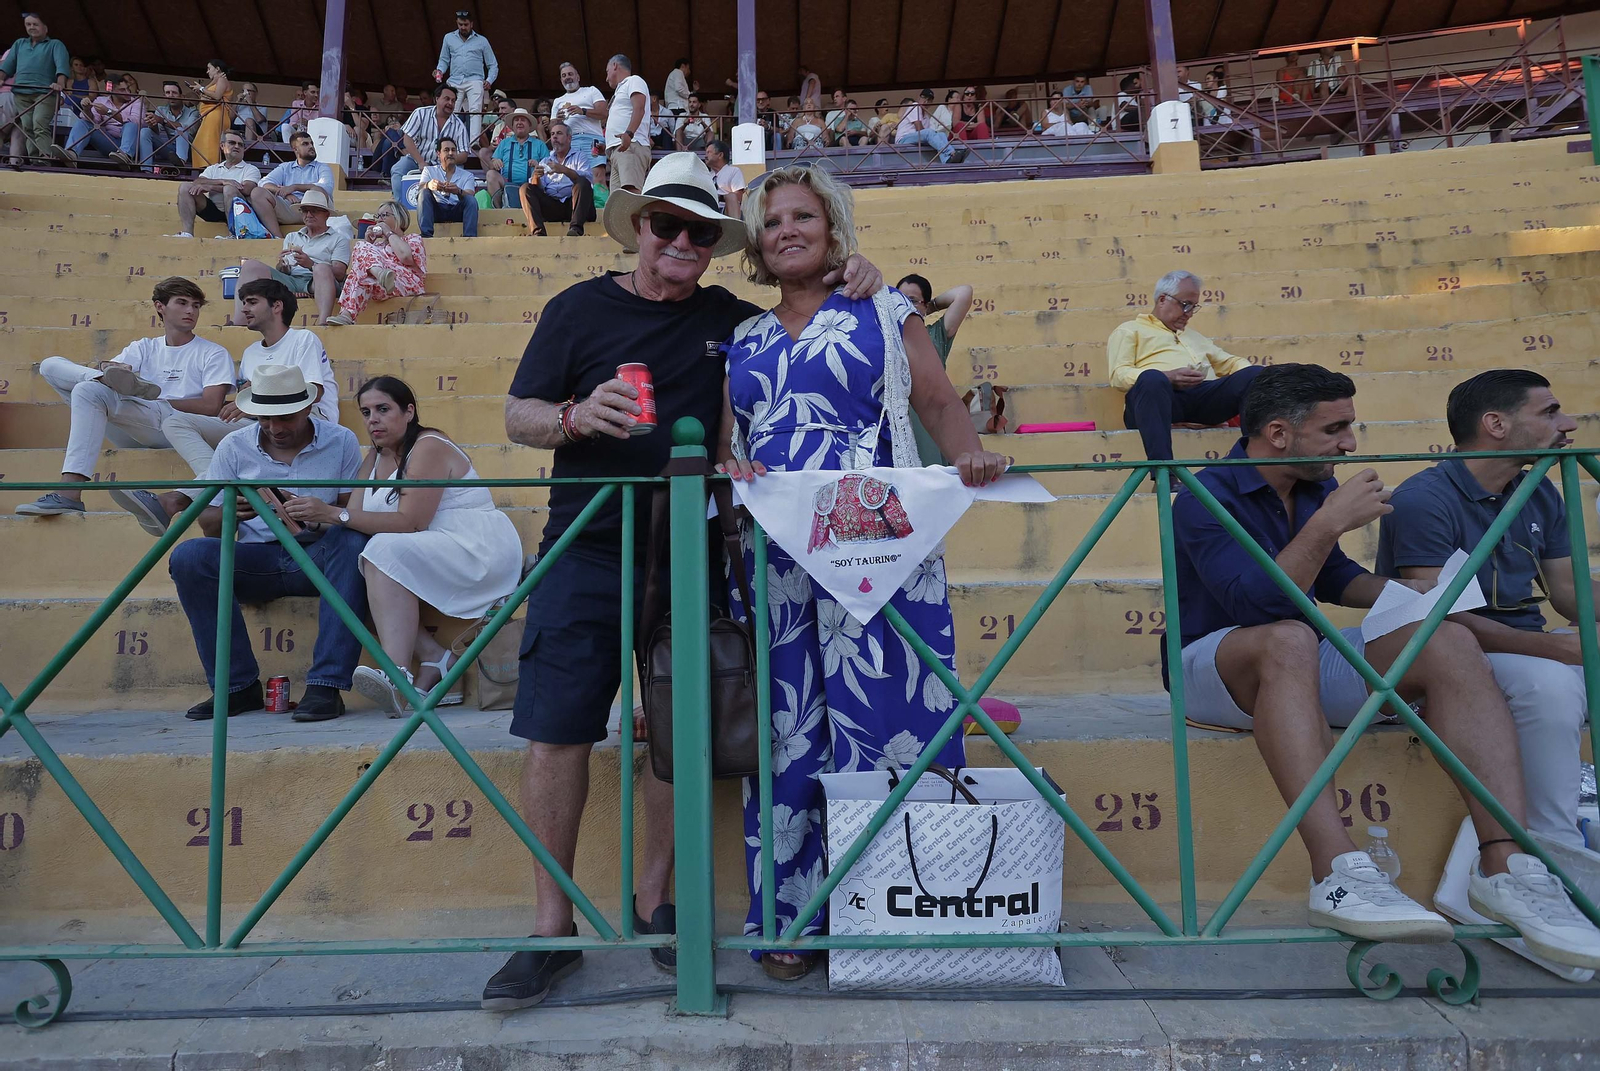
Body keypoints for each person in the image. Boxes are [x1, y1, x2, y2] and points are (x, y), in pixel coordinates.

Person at [482, 152, 883, 1011]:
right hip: (585, 549)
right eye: (668, 224)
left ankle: (659, 902)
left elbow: (803, 316)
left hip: (693, 552)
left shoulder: (730, 319)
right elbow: (516, 415)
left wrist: (863, 273)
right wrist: (572, 416)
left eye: (701, 231)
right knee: (555, 732)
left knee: (678, 729)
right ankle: (550, 930)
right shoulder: (575, 307)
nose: (683, 242)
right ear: (638, 227)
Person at [1169, 364, 1600, 966]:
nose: (1350, 443)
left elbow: (1337, 578)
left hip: (1293, 656)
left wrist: (1425, 604)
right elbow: (1257, 603)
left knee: (1444, 638)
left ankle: (1505, 867)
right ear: (1277, 433)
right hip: (1210, 667)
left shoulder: (1312, 483)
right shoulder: (1201, 497)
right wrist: (1327, 524)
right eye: (1336, 429)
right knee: (1288, 636)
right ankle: (1338, 872)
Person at [716, 164, 1005, 980]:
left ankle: (901, 901)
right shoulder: (745, 337)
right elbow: (729, 443)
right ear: (758, 243)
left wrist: (970, 456)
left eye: (803, 216)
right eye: (772, 222)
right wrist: (730, 469)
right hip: (775, 555)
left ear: (834, 228)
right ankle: (793, 917)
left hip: (879, 540)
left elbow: (941, 402)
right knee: (788, 730)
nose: (787, 231)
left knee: (890, 718)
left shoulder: (884, 309)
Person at [1378, 370, 1591, 851]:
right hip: (1459, 657)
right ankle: (1555, 852)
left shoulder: (1538, 488)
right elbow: (1435, 617)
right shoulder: (1423, 498)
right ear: (1495, 424)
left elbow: (1568, 594)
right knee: (1549, 684)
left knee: (1551, 675)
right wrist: (1553, 649)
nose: (1570, 423)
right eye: (1550, 412)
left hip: (1528, 648)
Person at [168, 364, 367, 724]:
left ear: (307, 408)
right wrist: (234, 512)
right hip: (257, 560)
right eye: (264, 419)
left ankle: (326, 686)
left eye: (286, 418)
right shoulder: (233, 445)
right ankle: (236, 688)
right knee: (190, 556)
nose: (275, 428)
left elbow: (353, 512)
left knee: (351, 541)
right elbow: (210, 529)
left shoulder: (341, 441)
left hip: (317, 554)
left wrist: (319, 514)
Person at [326, 376, 523, 714]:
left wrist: (332, 513)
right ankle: (434, 657)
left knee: (380, 550)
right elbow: (355, 518)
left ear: (409, 411)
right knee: (358, 556)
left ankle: (397, 674)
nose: (373, 419)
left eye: (383, 409)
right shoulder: (373, 458)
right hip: (429, 547)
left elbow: (410, 522)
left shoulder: (429, 445)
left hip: (475, 548)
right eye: (366, 411)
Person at [115, 278, 340, 537]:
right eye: (243, 302)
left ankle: (179, 498)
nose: (244, 308)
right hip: (261, 422)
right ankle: (212, 478)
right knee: (174, 421)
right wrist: (249, 408)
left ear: (277, 306)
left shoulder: (303, 339)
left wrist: (256, 407)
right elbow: (245, 398)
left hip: (306, 419)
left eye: (252, 302)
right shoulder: (251, 352)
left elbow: (314, 391)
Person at [15, 278, 233, 520]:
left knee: (87, 391)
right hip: (137, 423)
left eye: (195, 305)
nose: (190, 311)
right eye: (182, 303)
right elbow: (120, 372)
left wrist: (157, 402)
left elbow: (211, 406)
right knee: (52, 367)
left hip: (176, 424)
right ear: (160, 307)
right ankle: (100, 377)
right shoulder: (143, 347)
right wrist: (107, 371)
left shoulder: (212, 352)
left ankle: (69, 491)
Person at [1107, 269, 1261, 463]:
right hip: (1156, 399)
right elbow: (1119, 375)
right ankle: (1164, 473)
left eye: (1194, 307)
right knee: (1152, 379)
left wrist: (1255, 379)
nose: (1189, 314)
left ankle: (1255, 465)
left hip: (1202, 399)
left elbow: (1231, 362)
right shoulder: (1130, 330)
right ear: (1162, 299)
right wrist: (1167, 377)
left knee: (1255, 375)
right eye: (1185, 305)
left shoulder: (1195, 336)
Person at [234, 188, 349, 326]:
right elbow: (284, 271)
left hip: (319, 281)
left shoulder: (338, 239)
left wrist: (311, 264)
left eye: (314, 210)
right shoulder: (292, 237)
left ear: (326, 214)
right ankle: (238, 322)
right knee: (250, 266)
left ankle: (323, 322)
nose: (309, 214)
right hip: (291, 279)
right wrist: (283, 265)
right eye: (305, 210)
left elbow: (340, 273)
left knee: (322, 269)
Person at [896, 273, 974, 466]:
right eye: (899, 299)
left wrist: (930, 308)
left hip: (927, 424)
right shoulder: (883, 337)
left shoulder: (936, 334)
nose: (904, 305)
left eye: (912, 300)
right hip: (895, 422)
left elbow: (964, 293)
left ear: (925, 305)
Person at [327, 200, 427, 325]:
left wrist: (388, 232)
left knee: (362, 266)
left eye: (384, 215)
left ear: (399, 218)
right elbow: (359, 269)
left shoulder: (412, 239)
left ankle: (348, 312)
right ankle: (346, 315)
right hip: (382, 284)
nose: (379, 219)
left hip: (405, 284)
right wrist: (369, 243)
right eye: (377, 216)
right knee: (361, 254)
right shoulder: (377, 245)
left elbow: (405, 257)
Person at [0, 12, 67, 163]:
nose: (31, 27)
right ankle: (34, 160)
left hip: (44, 93)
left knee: (39, 124)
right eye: (28, 25)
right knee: (28, 127)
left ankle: (45, 159)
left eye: (35, 24)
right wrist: (1, 78)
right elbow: (8, 64)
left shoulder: (55, 44)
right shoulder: (19, 43)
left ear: (45, 27)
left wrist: (60, 84)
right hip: (21, 94)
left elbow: (61, 66)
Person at [172, 130, 261, 238]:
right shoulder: (214, 168)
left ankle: (233, 235)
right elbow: (197, 183)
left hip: (240, 213)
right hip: (214, 210)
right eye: (232, 143)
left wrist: (211, 187)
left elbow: (246, 189)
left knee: (229, 189)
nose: (237, 146)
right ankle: (187, 233)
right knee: (185, 187)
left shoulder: (250, 169)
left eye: (240, 145)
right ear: (222, 146)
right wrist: (222, 181)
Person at [249, 130, 336, 239]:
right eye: (305, 144)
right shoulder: (285, 167)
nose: (311, 146)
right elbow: (263, 183)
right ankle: (278, 238)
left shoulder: (322, 167)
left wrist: (294, 187)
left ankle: (318, 237)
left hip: (316, 210)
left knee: (318, 190)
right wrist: (286, 194)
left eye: (311, 143)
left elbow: (326, 187)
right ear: (295, 149)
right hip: (293, 208)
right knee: (257, 192)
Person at [391, 84, 469, 202]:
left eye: (453, 101)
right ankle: (400, 207)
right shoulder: (420, 113)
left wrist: (445, 161)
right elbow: (407, 139)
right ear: (436, 99)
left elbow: (463, 155)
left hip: (443, 167)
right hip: (417, 159)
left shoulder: (459, 126)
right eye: (447, 99)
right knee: (398, 169)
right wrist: (421, 162)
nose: (450, 103)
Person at [519, 119, 595, 237]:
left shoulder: (580, 156)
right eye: (552, 134)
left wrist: (564, 170)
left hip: (576, 207)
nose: (554, 137)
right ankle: (538, 233)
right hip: (553, 207)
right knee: (525, 188)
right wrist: (536, 177)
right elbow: (539, 188)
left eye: (559, 133)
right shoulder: (545, 160)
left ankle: (575, 230)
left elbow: (588, 181)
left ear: (569, 138)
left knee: (582, 182)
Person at [434, 8, 497, 145]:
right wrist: (439, 71)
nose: (463, 27)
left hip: (475, 79)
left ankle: (473, 142)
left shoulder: (482, 41)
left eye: (465, 25)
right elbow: (444, 60)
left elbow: (493, 64)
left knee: (475, 110)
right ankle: (449, 140)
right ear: (457, 23)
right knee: (451, 109)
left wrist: (489, 80)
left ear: (471, 24)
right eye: (460, 24)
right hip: (455, 79)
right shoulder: (448, 38)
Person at [62, 73, 143, 164]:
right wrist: (87, 109)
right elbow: (92, 121)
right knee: (83, 122)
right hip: (110, 143)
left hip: (131, 145)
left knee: (131, 124)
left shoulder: (136, 102)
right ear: (111, 90)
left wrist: (109, 112)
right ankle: (71, 154)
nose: (128, 92)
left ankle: (125, 156)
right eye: (122, 90)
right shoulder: (101, 100)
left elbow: (136, 122)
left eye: (128, 89)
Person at [604, 54, 650, 194]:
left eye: (607, 71)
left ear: (615, 66)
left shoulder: (633, 80)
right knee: (617, 200)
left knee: (631, 193)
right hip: (618, 150)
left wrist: (629, 134)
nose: (606, 78)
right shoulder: (620, 91)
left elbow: (639, 108)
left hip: (630, 146)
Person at [487, 107, 549, 208]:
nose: (519, 122)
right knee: (491, 174)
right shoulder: (504, 143)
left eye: (523, 120)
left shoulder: (540, 144)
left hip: (532, 185)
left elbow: (549, 168)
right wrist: (495, 162)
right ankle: (497, 211)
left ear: (529, 125)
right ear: (512, 126)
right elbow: (491, 165)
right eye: (516, 120)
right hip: (507, 184)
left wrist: (538, 165)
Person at [417, 135, 478, 238]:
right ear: (438, 154)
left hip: (457, 210)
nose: (450, 153)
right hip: (437, 210)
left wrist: (458, 191)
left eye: (453, 150)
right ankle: (426, 236)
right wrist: (429, 185)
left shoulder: (467, 175)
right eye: (446, 150)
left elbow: (470, 195)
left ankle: (469, 238)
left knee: (470, 200)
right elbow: (419, 189)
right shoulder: (429, 170)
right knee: (424, 192)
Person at [552, 60, 607, 159]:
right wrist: (558, 121)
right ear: (561, 80)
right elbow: (552, 127)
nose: (567, 77)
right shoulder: (558, 101)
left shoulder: (591, 90)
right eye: (564, 75)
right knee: (571, 173)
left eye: (570, 74)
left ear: (578, 77)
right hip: (569, 142)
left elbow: (604, 113)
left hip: (593, 139)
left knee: (596, 173)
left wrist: (583, 111)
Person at [895, 88, 963, 163]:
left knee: (942, 134)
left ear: (931, 102)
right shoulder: (915, 106)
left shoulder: (926, 116)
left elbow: (928, 134)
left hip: (915, 139)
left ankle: (946, 160)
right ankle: (950, 152)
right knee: (929, 132)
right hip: (903, 139)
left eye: (929, 100)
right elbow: (920, 129)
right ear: (919, 98)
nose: (925, 101)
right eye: (924, 98)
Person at [143, 80, 200, 170]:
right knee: (145, 131)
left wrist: (163, 120)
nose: (171, 95)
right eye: (167, 93)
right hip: (170, 150)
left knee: (180, 130)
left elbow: (189, 130)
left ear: (182, 96)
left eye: (174, 93)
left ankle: (180, 163)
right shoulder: (161, 109)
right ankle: (146, 169)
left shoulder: (193, 112)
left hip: (189, 150)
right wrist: (152, 124)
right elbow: (156, 132)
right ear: (164, 96)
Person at [187, 60, 231, 168]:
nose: (207, 72)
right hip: (209, 116)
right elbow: (207, 96)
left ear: (217, 69)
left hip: (216, 115)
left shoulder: (222, 80)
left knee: (209, 144)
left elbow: (217, 96)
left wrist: (201, 88)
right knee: (199, 144)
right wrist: (202, 89)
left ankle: (210, 169)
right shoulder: (218, 80)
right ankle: (204, 169)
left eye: (209, 68)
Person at [705, 138, 744, 217]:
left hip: (726, 210)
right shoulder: (706, 175)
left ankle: (734, 227)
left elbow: (738, 197)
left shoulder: (733, 171)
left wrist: (719, 197)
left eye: (709, 152)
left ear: (720, 155)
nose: (705, 156)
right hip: (708, 210)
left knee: (731, 196)